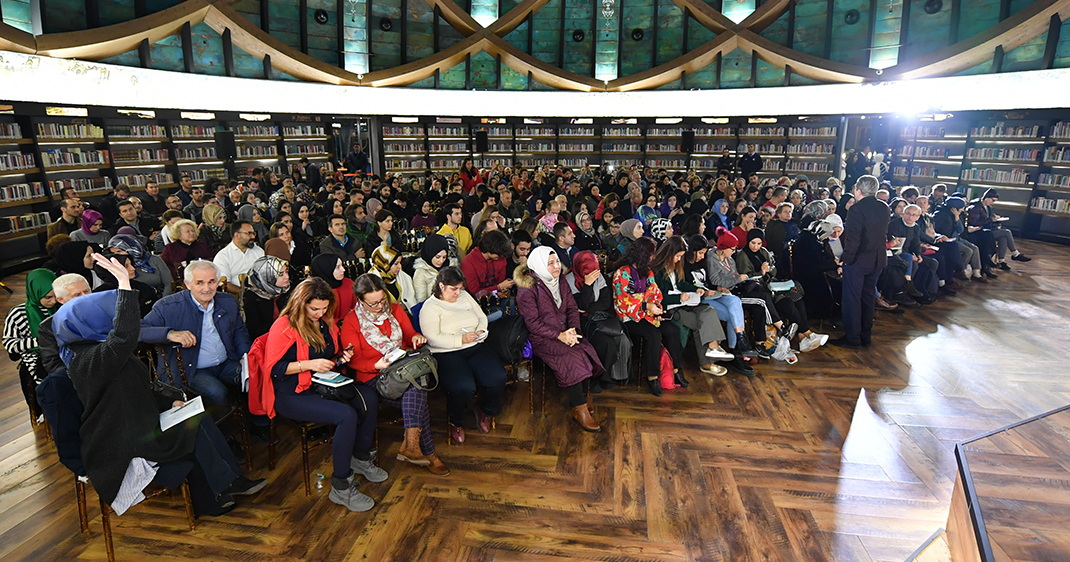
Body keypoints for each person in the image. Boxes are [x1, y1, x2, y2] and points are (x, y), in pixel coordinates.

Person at [55, 254, 264, 517]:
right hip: (125, 435)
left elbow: (137, 387)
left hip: (141, 417)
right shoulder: (88, 359)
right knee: (194, 428)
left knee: (199, 415)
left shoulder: (96, 349)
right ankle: (218, 490)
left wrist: (169, 402)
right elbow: (125, 336)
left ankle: (232, 480)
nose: (108, 321)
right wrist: (124, 284)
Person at [260, 277, 381, 512]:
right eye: (314, 308)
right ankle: (341, 486)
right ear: (300, 303)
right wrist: (309, 364)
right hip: (291, 393)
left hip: (320, 384)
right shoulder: (284, 325)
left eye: (325, 308)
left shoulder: (326, 322)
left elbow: (329, 355)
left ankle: (361, 458)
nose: (320, 313)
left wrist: (339, 359)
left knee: (369, 398)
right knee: (346, 415)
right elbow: (274, 369)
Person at [340, 274, 449, 476]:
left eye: (382, 300)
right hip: (373, 377)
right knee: (419, 395)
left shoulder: (396, 309)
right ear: (360, 300)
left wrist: (415, 337)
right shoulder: (352, 321)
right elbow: (353, 360)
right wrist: (376, 364)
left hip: (402, 370)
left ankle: (414, 447)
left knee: (415, 389)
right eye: (372, 304)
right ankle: (426, 453)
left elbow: (409, 336)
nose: (380, 306)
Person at [140, 261, 252, 408]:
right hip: (192, 369)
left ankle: (256, 422)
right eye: (199, 283)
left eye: (211, 282)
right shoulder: (168, 306)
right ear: (188, 284)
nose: (206, 288)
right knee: (217, 392)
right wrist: (169, 334)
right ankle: (223, 429)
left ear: (218, 282)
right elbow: (139, 330)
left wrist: (245, 356)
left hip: (227, 362)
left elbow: (239, 331)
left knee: (256, 376)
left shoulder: (227, 302)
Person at [515, 248, 602, 432]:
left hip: (565, 332)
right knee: (570, 357)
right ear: (539, 265)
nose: (556, 266)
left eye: (556, 261)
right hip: (542, 338)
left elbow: (571, 307)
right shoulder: (527, 288)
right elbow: (532, 324)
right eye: (550, 263)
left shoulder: (560, 280)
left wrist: (573, 331)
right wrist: (559, 336)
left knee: (583, 347)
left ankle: (580, 401)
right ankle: (580, 409)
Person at [419, 267, 507, 444]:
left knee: (498, 377)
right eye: (454, 289)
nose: (458, 293)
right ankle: (456, 421)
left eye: (460, 288)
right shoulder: (430, 307)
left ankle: (485, 409)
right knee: (463, 387)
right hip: (447, 352)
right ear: (441, 286)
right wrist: (461, 339)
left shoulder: (465, 296)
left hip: (474, 345)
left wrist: (481, 330)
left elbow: (481, 317)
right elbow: (432, 338)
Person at [651, 237, 733, 380]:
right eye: (677, 256)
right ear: (669, 254)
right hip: (671, 308)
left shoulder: (675, 267)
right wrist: (679, 298)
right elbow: (657, 298)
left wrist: (697, 289)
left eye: (681, 256)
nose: (679, 259)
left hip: (684, 303)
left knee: (708, 311)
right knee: (701, 323)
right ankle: (708, 361)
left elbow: (682, 285)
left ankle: (713, 347)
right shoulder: (657, 271)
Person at [735, 229, 828, 352]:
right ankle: (807, 334)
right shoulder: (743, 255)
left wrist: (768, 272)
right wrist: (762, 272)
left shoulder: (764, 252)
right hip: (760, 289)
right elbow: (747, 277)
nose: (756, 247)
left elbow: (774, 268)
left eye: (759, 243)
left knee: (797, 298)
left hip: (772, 285)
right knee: (788, 304)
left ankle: (802, 336)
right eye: (753, 243)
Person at [612, 238, 680, 396]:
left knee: (672, 329)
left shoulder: (648, 272)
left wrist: (656, 308)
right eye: (651, 254)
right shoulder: (622, 273)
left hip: (646, 313)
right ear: (642, 254)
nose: (653, 257)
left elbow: (655, 294)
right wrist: (646, 305)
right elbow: (623, 300)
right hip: (628, 317)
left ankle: (676, 370)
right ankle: (652, 376)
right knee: (653, 334)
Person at [832, 175, 888, 349]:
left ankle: (853, 337)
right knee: (868, 297)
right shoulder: (884, 207)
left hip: (858, 260)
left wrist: (846, 259)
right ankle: (866, 335)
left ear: (858, 190)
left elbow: (853, 239)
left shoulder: (856, 209)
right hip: (877, 258)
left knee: (852, 298)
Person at [3, 268, 59, 421]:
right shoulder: (18, 314)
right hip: (37, 359)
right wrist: (40, 341)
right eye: (47, 297)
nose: (53, 301)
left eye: (56, 296)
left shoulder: (61, 306)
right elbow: (9, 344)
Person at [966, 189, 1030, 271]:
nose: (992, 202)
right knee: (1006, 232)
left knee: (1002, 238)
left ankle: (1001, 261)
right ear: (986, 197)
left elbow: (989, 217)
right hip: (980, 232)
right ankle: (1015, 254)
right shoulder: (976, 207)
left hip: (988, 229)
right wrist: (991, 219)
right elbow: (974, 222)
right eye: (992, 200)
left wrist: (996, 218)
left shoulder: (988, 207)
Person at [242, 256, 290, 341]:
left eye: (287, 272)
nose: (287, 277)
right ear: (267, 276)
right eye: (280, 274)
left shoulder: (287, 290)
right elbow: (255, 331)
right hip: (266, 340)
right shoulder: (252, 297)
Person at [214, 221, 266, 295]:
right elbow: (224, 283)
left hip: (261, 293)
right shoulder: (223, 256)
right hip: (235, 296)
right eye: (249, 233)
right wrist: (245, 293)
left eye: (253, 233)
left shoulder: (259, 251)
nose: (253, 237)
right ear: (237, 235)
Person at [460, 229, 513, 300]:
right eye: (498, 253)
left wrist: (502, 290)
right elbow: (475, 292)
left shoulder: (500, 257)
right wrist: (498, 287)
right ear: (490, 249)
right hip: (475, 302)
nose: (501, 256)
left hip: (495, 298)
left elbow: (501, 282)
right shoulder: (468, 263)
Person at [369, 245, 417, 311]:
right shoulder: (370, 283)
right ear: (385, 265)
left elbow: (411, 302)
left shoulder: (404, 277)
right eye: (396, 263)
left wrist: (404, 305)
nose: (400, 267)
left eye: (400, 263)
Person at [310, 253, 356, 320]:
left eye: (342, 265)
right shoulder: (314, 290)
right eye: (338, 267)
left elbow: (356, 307)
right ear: (326, 269)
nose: (343, 269)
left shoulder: (348, 283)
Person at [413, 234, 450, 303]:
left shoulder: (450, 268)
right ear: (429, 253)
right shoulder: (421, 273)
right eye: (437, 257)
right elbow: (421, 302)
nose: (441, 261)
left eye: (444, 257)